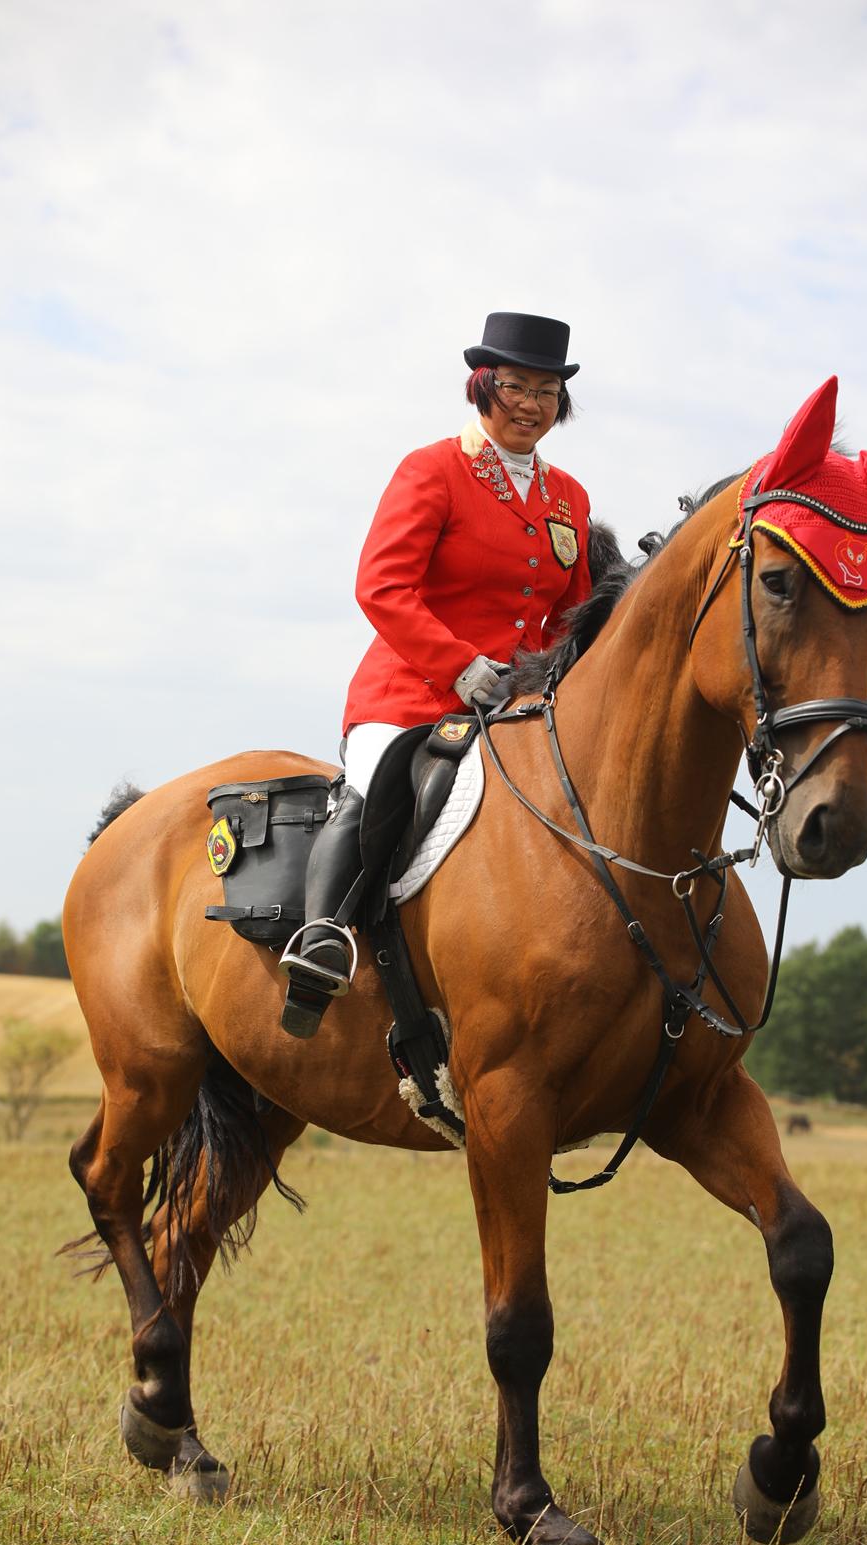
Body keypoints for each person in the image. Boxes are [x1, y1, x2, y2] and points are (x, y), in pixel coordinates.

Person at [279, 311, 593, 1038]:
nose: (529, 403)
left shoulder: (569, 498)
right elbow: (381, 587)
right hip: (412, 692)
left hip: (514, 705)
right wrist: (460, 666)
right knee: (375, 786)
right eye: (514, 385)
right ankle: (323, 937)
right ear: (481, 387)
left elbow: (572, 617)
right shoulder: (433, 469)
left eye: (546, 391)